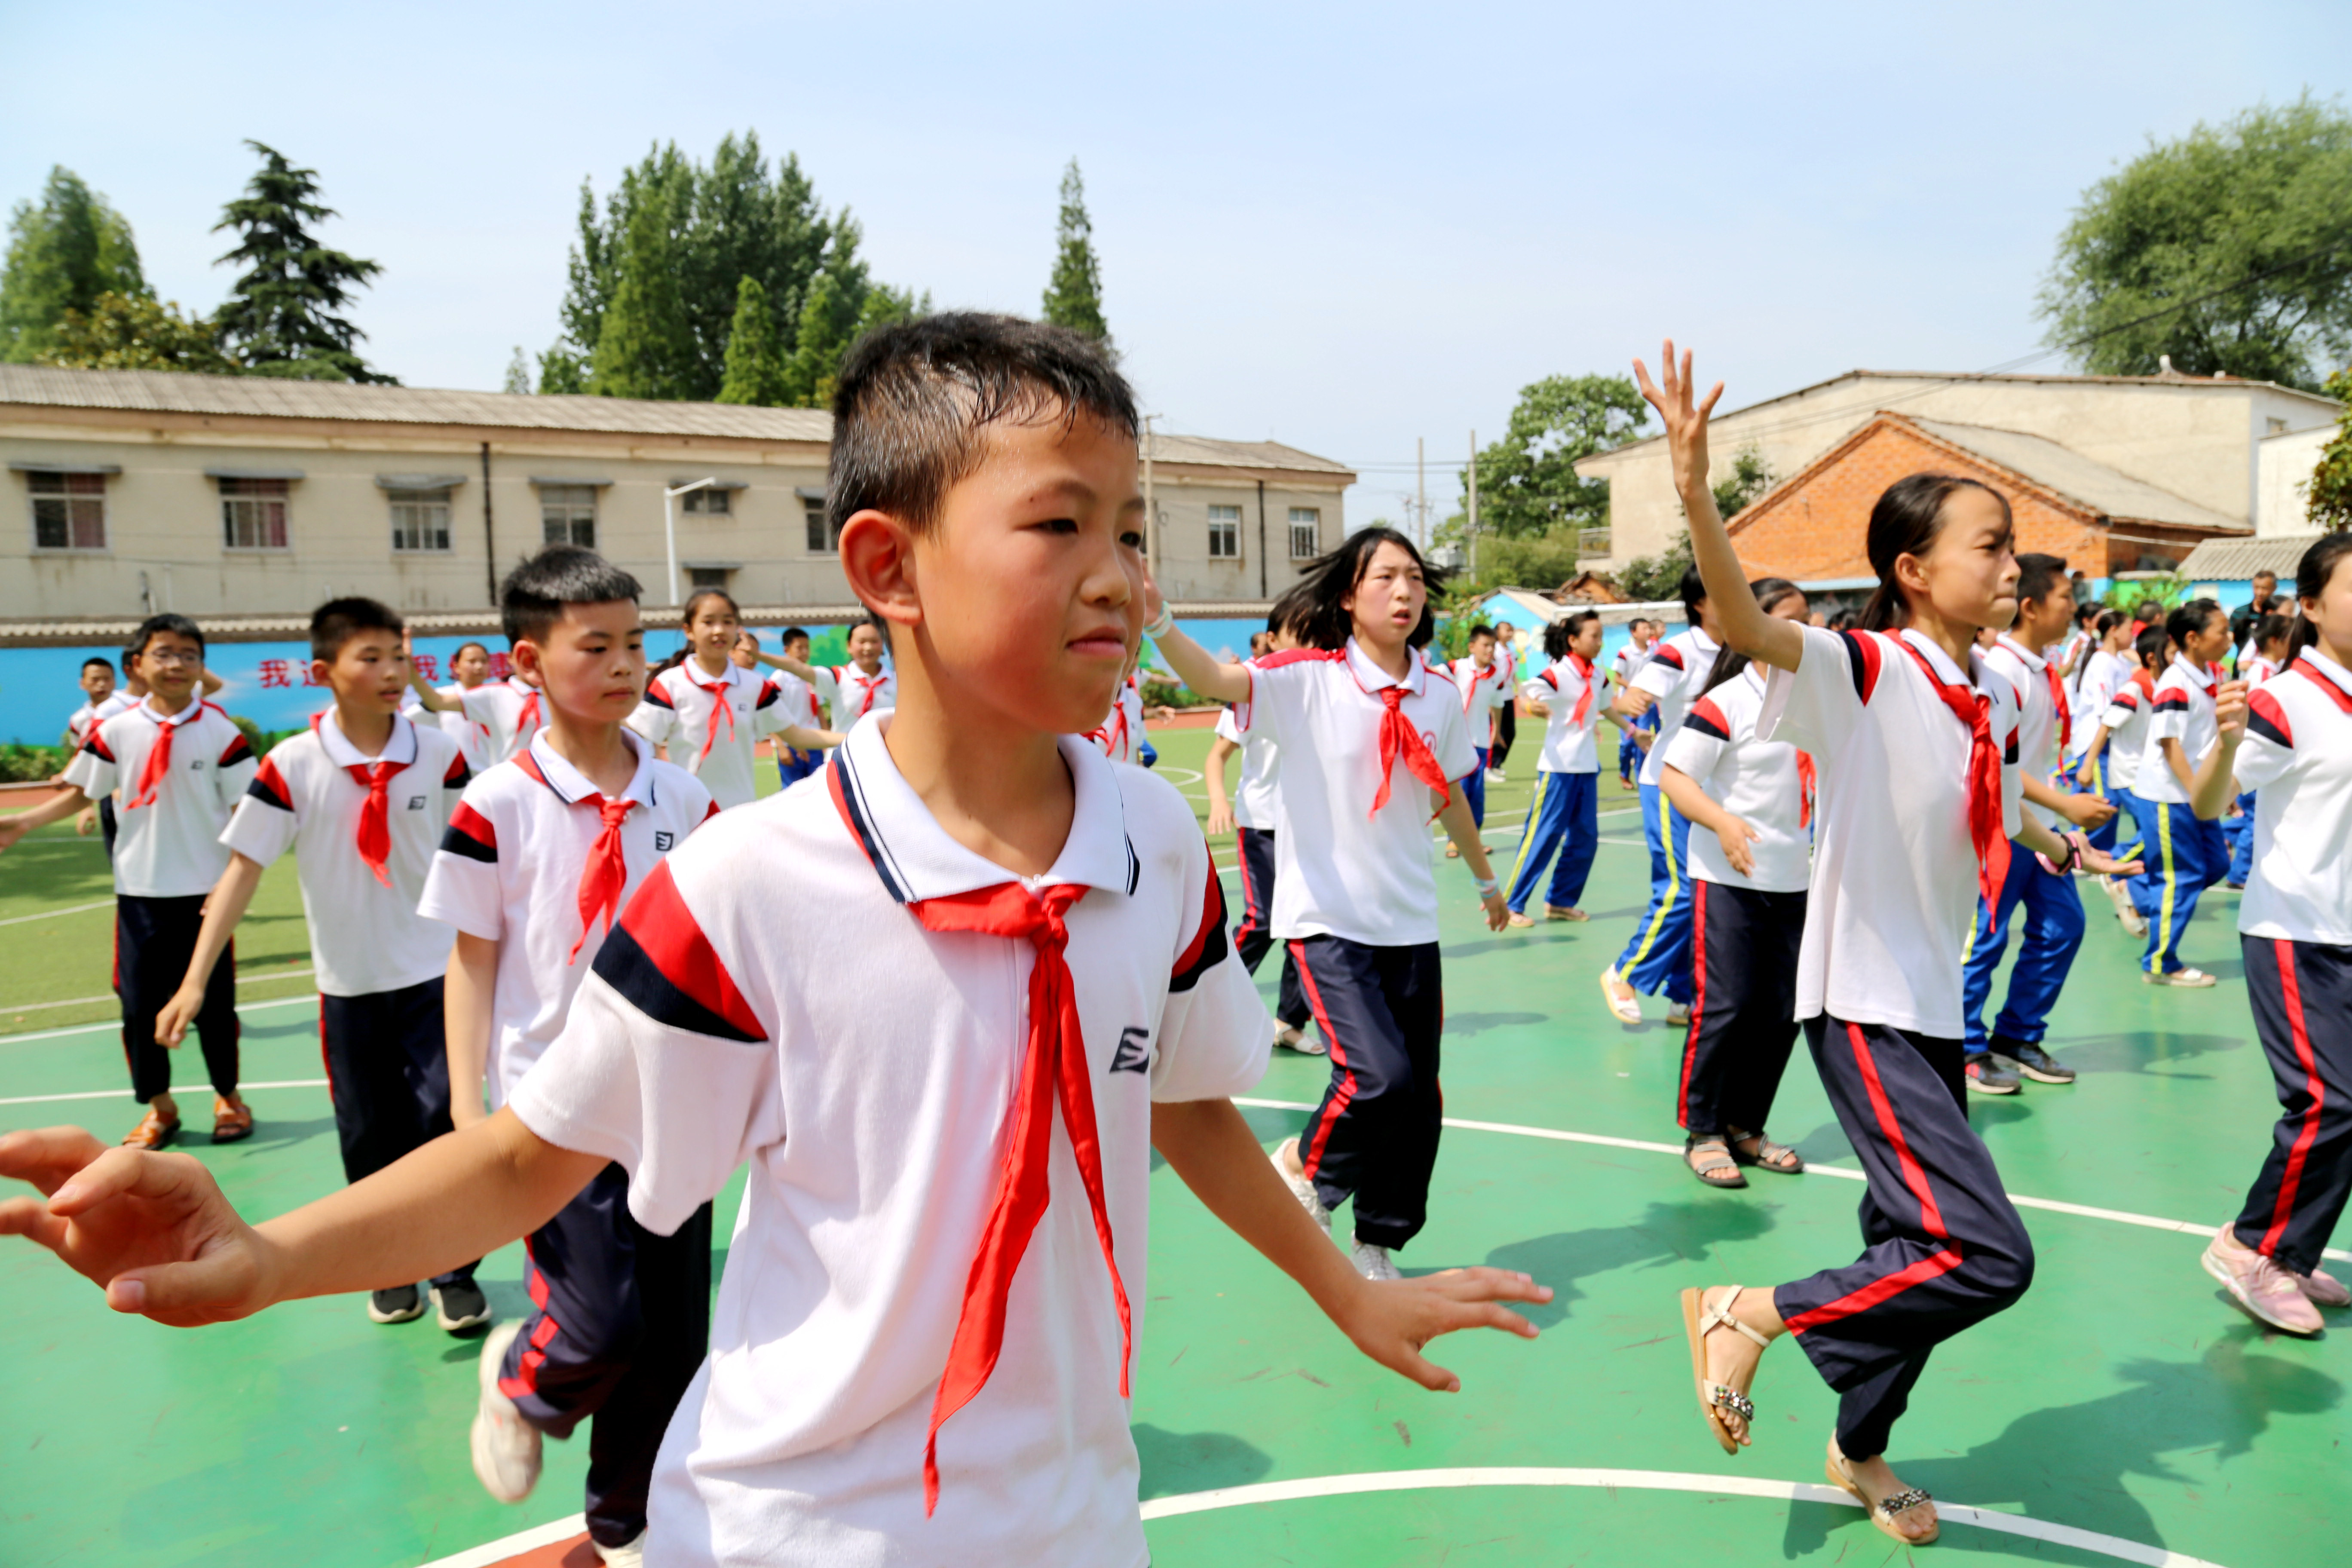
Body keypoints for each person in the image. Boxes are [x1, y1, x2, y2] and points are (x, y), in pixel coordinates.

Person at [0, 314, 1551, 1568]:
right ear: (887, 569)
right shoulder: (747, 885)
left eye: (1132, 528)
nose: (1120, 574)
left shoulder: (1151, 841)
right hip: (791, 1528)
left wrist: (1342, 1289)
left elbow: (1186, 1100)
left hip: (1075, 1519)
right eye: (1059, 523)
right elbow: (531, 1157)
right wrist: (272, 1257)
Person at [1642, 342, 2132, 1546]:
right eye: (1990, 547)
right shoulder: (1864, 666)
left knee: (1907, 1246)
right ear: (1912, 571)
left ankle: (1858, 1446)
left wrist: (2066, 842)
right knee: (1984, 1251)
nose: (2013, 566)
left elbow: (1993, 793)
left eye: (2013, 549)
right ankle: (1747, 1310)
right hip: (1860, 997)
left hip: (1931, 1002)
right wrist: (1695, 491)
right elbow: (1746, 624)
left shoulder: (1992, 689)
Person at [410, 546, 721, 1564]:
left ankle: (627, 1523)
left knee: (670, 1341)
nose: (625, 663)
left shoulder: (684, 800)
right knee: (601, 1324)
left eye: (636, 643)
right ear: (528, 662)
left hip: (672, 1102)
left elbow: (721, 948)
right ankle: (522, 1380)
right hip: (554, 1105)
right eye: (596, 646)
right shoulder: (496, 805)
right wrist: (469, 1108)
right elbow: (471, 962)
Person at [1152, 524, 1513, 1283]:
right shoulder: (1306, 680)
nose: (1404, 592)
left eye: (1414, 578)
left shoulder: (1438, 694)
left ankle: (1377, 1241)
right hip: (1328, 920)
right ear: (1348, 596)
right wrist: (1158, 622)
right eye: (1385, 577)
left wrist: (1486, 881)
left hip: (1409, 922)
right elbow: (1215, 680)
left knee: (1418, 1103)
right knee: (1376, 1076)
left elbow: (1445, 793)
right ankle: (1304, 1169)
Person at [154, 597, 490, 1332]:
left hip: (436, 977)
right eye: (370, 658)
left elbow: (481, 858)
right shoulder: (294, 764)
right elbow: (243, 869)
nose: (392, 672)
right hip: (348, 986)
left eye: (399, 657)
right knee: (367, 1135)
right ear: (323, 672)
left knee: (443, 1124)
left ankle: (455, 1270)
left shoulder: (440, 753)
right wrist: (194, 981)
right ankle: (388, 1268)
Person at [0, 614, 256, 1148]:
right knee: (138, 1008)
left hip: (208, 895)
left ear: (201, 667)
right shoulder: (115, 731)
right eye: (164, 653)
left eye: (189, 655)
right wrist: (24, 822)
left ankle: (230, 1098)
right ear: (137, 665)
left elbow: (245, 812)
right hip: (139, 895)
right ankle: (161, 1109)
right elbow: (83, 791)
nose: (177, 664)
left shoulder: (222, 733)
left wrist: (233, 877)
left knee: (214, 1006)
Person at [2195, 534, 2352, 1335]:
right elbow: (2207, 802)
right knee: (2330, 1103)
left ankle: (2290, 1251)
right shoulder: (2284, 699)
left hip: (2346, 927)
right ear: (2312, 607)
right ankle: (2250, 1247)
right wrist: (2225, 744)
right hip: (2297, 931)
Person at [1656, 578, 1813, 1188]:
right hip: (1729, 879)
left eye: (1809, 620)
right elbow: (1676, 777)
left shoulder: (1815, 699)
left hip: (1796, 878)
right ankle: (1703, 1131)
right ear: (1753, 626)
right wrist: (1722, 822)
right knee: (1727, 1005)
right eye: (1791, 620)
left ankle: (1747, 1125)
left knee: (1783, 1010)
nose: (1805, 632)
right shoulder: (1726, 702)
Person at [1956, 554, 2116, 1094]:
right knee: (1986, 938)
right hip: (2004, 829)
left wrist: (2063, 806)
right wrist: (2066, 806)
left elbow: (2032, 760)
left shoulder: (2040, 670)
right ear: (2030, 606)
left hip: (2040, 828)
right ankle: (1963, 1044)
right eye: (2066, 598)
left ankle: (2017, 1035)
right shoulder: (2002, 672)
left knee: (2062, 927)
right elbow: (1996, 766)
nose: (2074, 608)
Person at [1601, 572, 1720, 1027]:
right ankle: (1625, 972)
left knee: (1709, 892)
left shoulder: (1745, 646)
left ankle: (1684, 995)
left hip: (1715, 788)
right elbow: (1638, 691)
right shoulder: (1680, 650)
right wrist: (1635, 698)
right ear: (1700, 603)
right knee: (1681, 889)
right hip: (1671, 780)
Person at [1205, 613, 1317, 1054]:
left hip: (1308, 825)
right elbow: (1217, 757)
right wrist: (1219, 800)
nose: (1308, 641)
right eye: (1298, 632)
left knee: (1306, 924)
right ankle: (1206, 1004)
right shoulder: (1251, 691)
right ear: (1272, 639)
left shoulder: (1322, 686)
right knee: (1263, 921)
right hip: (1262, 824)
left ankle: (1289, 1022)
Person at [629, 590, 843, 810]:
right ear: (689, 630)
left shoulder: (755, 685)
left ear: (737, 629)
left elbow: (796, 735)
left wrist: (850, 738)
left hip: (738, 812)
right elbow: (636, 734)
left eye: (728, 622)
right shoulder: (670, 684)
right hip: (686, 812)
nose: (719, 630)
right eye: (708, 622)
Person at [2128, 599, 2236, 985]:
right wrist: (2198, 794)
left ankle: (2137, 891)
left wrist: (2220, 789)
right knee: (2182, 878)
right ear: (2193, 638)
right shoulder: (2176, 682)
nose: (2229, 637)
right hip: (2171, 796)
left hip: (2193, 794)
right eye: (2221, 631)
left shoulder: (2207, 677)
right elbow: (2169, 744)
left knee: (2216, 865)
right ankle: (2160, 964)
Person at [1504, 609, 1608, 925]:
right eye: (1594, 636)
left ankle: (1561, 901)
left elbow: (1606, 707)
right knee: (1543, 835)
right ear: (1573, 640)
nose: (1600, 642)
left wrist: (1634, 730)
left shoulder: (1599, 675)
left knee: (1586, 839)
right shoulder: (1558, 674)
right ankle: (1512, 904)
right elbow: (1527, 693)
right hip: (1558, 768)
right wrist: (1531, 706)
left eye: (1601, 636)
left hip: (1587, 767)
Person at [2074, 626, 2165, 937]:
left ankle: (2130, 890)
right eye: (2172, 651)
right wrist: (2088, 764)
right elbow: (2106, 725)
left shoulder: (2158, 686)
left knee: (2154, 835)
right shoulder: (2135, 689)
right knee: (2156, 832)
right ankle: (2112, 867)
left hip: (2146, 774)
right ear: (2153, 657)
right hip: (2129, 775)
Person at [2223, 613, 2294, 889]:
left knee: (2250, 815)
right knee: (2255, 817)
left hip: (2254, 753)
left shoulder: (2265, 670)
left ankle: (2225, 836)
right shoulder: (2264, 674)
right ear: (2275, 641)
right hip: (2257, 754)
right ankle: (2240, 874)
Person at [1445, 624, 1516, 854]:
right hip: (1457, 741)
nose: (1490, 650)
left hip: (1481, 742)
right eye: (1485, 645)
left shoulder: (1497, 675)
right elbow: (1429, 675)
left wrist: (1496, 731)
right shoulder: (1456, 667)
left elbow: (1497, 704)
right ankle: (1454, 839)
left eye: (1493, 646)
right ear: (1472, 647)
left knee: (1477, 794)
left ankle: (1474, 839)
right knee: (1460, 792)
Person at [767, 614, 896, 731]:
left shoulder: (897, 681)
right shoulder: (838, 677)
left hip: (881, 749)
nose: (868, 647)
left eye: (874, 641)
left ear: (883, 645)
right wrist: (761, 656)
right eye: (862, 642)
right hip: (842, 748)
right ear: (849, 646)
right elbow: (800, 669)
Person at [1611, 617, 1660, 790]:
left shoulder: (1655, 651)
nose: (1648, 631)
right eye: (1644, 628)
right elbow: (1618, 678)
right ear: (1634, 633)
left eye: (1649, 628)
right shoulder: (1626, 652)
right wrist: (1635, 688)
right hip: (1628, 706)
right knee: (1627, 744)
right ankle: (1624, 774)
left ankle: (1641, 778)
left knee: (1643, 741)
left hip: (1646, 705)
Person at [2230, 568, 2284, 653]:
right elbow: (2229, 638)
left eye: (2264, 588)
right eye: (2256, 588)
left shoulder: (2280, 614)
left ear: (2274, 588)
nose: (2260, 593)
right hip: (2244, 662)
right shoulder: (2239, 613)